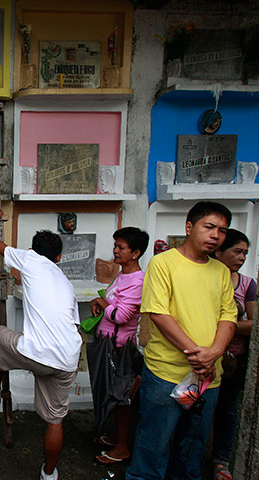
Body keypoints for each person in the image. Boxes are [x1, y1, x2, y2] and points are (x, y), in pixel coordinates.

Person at [127, 201, 237, 480]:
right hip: (168, 374)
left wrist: (215, 353)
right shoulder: (164, 263)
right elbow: (159, 314)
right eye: (209, 227)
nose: (216, 235)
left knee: (193, 441)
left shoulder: (221, 271)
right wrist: (198, 354)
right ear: (189, 227)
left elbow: (228, 315)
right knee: (156, 437)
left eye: (222, 231)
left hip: (206, 379)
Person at [0, 208, 82, 480]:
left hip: (38, 354)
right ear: (58, 257)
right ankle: (49, 473)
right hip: (68, 359)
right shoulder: (65, 283)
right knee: (55, 419)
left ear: (33, 250)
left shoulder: (30, 259)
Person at [87, 227, 149, 465]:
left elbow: (121, 316)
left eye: (121, 247)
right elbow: (110, 301)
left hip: (120, 348)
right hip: (108, 343)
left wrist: (102, 302)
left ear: (135, 253)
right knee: (111, 395)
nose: (115, 251)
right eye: (115, 246)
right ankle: (116, 437)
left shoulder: (138, 281)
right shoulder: (122, 275)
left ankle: (123, 447)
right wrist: (98, 301)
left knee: (121, 398)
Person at [211, 229, 255, 480]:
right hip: (206, 357)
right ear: (219, 252)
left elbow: (254, 325)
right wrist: (234, 324)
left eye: (245, 253)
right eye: (237, 251)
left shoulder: (247, 284)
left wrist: (222, 324)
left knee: (228, 411)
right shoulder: (208, 280)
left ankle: (221, 460)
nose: (242, 257)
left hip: (235, 360)